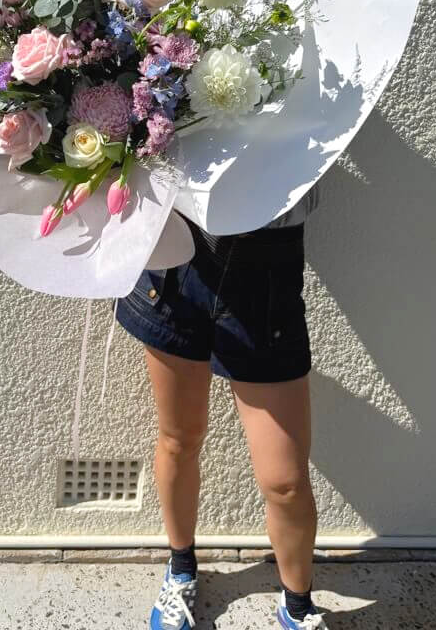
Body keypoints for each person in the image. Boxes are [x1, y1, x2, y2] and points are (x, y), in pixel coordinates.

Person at [114, 180, 327, 630]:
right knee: (178, 438)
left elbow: (310, 185)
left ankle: (299, 608)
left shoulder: (327, 108)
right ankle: (181, 568)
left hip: (267, 272)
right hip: (180, 259)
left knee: (285, 480)